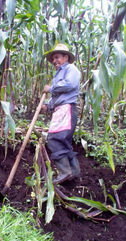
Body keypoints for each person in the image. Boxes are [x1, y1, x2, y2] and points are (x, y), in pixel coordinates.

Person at [42, 43, 81, 184]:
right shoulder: (58, 74)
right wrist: (47, 105)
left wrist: (51, 88)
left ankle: (65, 172)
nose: (55, 61)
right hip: (61, 109)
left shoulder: (71, 69)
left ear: (66, 57)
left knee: (54, 139)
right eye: (53, 59)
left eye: (57, 57)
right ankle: (75, 173)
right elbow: (57, 96)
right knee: (64, 142)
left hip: (67, 109)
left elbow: (70, 84)